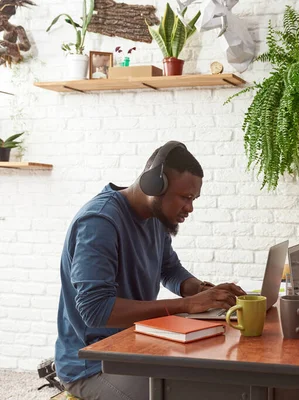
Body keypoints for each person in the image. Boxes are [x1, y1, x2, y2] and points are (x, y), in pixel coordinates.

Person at [55, 141, 246, 400]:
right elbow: (95, 311)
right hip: (92, 366)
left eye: (193, 199)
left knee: (221, 376)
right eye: (185, 198)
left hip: (135, 348)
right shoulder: (99, 222)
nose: (190, 208)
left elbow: (169, 269)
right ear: (154, 186)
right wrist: (188, 305)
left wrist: (203, 291)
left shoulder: (155, 219)